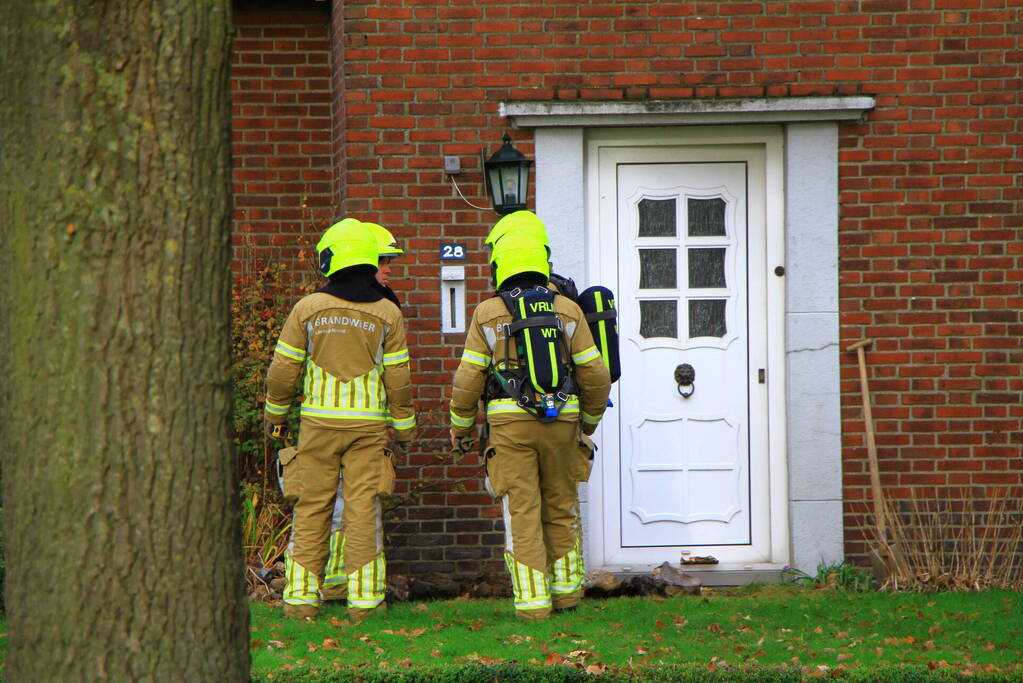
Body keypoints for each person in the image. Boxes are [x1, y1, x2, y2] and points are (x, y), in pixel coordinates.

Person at [449, 229, 611, 621]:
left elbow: (469, 377)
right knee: (562, 504)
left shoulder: (487, 313)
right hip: (563, 423)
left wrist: (462, 426)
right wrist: (587, 422)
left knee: (522, 509)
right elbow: (595, 373)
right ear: (542, 264)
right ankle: (567, 596)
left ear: (500, 265)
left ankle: (533, 605)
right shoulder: (569, 310)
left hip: (509, 427)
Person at [265, 218, 415, 622]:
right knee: (363, 508)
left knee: (312, 507)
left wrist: (275, 417)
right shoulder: (387, 313)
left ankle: (299, 601)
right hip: (367, 428)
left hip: (317, 426)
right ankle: (365, 604)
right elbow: (398, 378)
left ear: (331, 260)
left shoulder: (308, 308)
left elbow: (282, 371)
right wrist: (403, 427)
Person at [320, 220, 405, 602]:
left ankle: (339, 580)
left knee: (344, 503)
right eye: (384, 261)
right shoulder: (381, 309)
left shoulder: (325, 303)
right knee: (354, 504)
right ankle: (353, 585)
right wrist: (401, 424)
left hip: (333, 423)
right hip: (359, 424)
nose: (389, 269)